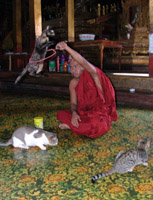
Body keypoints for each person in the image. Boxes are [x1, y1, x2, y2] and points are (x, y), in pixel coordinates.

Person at [55, 41, 117, 138]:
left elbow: (83, 62)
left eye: (76, 66)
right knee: (60, 114)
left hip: (99, 117)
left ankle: (73, 127)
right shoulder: (73, 83)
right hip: (84, 115)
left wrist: (66, 48)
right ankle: (77, 126)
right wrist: (74, 114)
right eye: (71, 67)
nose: (73, 70)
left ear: (83, 67)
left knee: (98, 126)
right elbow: (73, 104)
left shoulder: (94, 76)